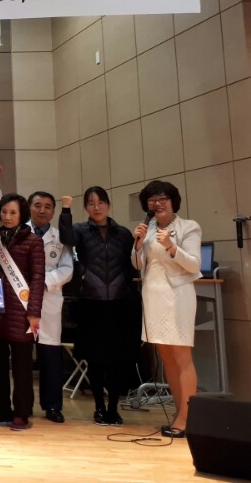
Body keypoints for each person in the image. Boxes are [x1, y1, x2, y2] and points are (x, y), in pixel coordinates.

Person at [59, 187, 137, 426]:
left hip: (118, 304)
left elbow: (132, 264)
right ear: (86, 207)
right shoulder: (80, 231)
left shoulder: (123, 234)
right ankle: (99, 408)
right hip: (90, 304)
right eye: (91, 203)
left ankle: (113, 408)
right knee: (95, 359)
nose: (97, 207)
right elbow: (66, 238)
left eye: (101, 202)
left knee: (116, 359)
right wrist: (65, 210)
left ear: (108, 204)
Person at [132, 180, 202, 439]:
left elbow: (194, 265)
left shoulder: (188, 227)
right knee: (167, 356)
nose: (157, 203)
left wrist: (172, 247)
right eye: (152, 199)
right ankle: (179, 412)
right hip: (153, 295)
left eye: (163, 198)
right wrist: (138, 244)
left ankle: (187, 417)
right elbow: (138, 264)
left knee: (181, 355)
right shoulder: (148, 228)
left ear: (173, 202)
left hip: (178, 295)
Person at [0, 193, 45, 431]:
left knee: (22, 367)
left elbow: (38, 279)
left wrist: (34, 312)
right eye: (4, 212)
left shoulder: (33, 241)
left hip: (22, 313)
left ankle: (22, 412)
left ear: (22, 215)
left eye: (13, 212)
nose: (8, 217)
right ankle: (1, 409)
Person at [26, 191, 73, 424]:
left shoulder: (60, 237)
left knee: (50, 356)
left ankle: (52, 405)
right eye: (37, 205)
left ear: (54, 211)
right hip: (22, 300)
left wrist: (42, 282)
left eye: (47, 206)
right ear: (29, 208)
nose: (42, 210)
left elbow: (67, 269)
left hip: (49, 300)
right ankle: (23, 405)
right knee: (22, 356)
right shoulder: (20, 232)